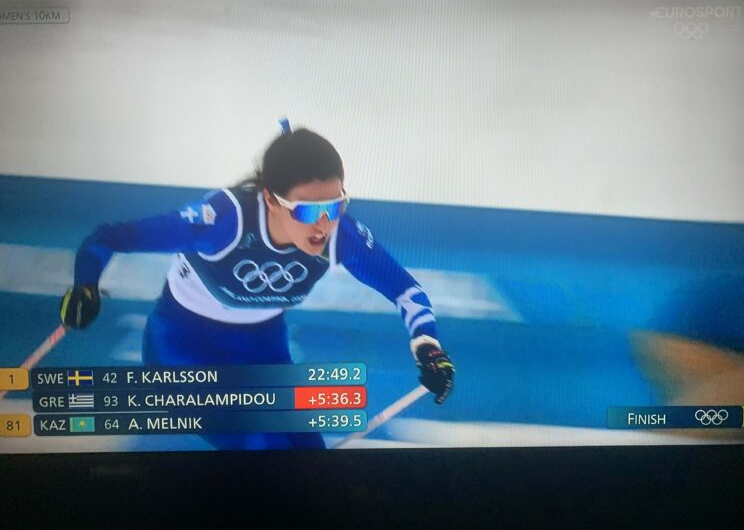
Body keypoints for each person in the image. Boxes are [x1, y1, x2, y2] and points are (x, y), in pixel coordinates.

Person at [59, 120, 455, 450]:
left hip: (263, 347)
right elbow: (109, 237)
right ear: (271, 200)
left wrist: (429, 348)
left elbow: (405, 290)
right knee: (263, 447)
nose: (323, 225)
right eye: (308, 211)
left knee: (308, 452)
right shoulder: (223, 222)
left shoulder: (341, 235)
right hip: (184, 347)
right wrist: (85, 288)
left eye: (335, 206)